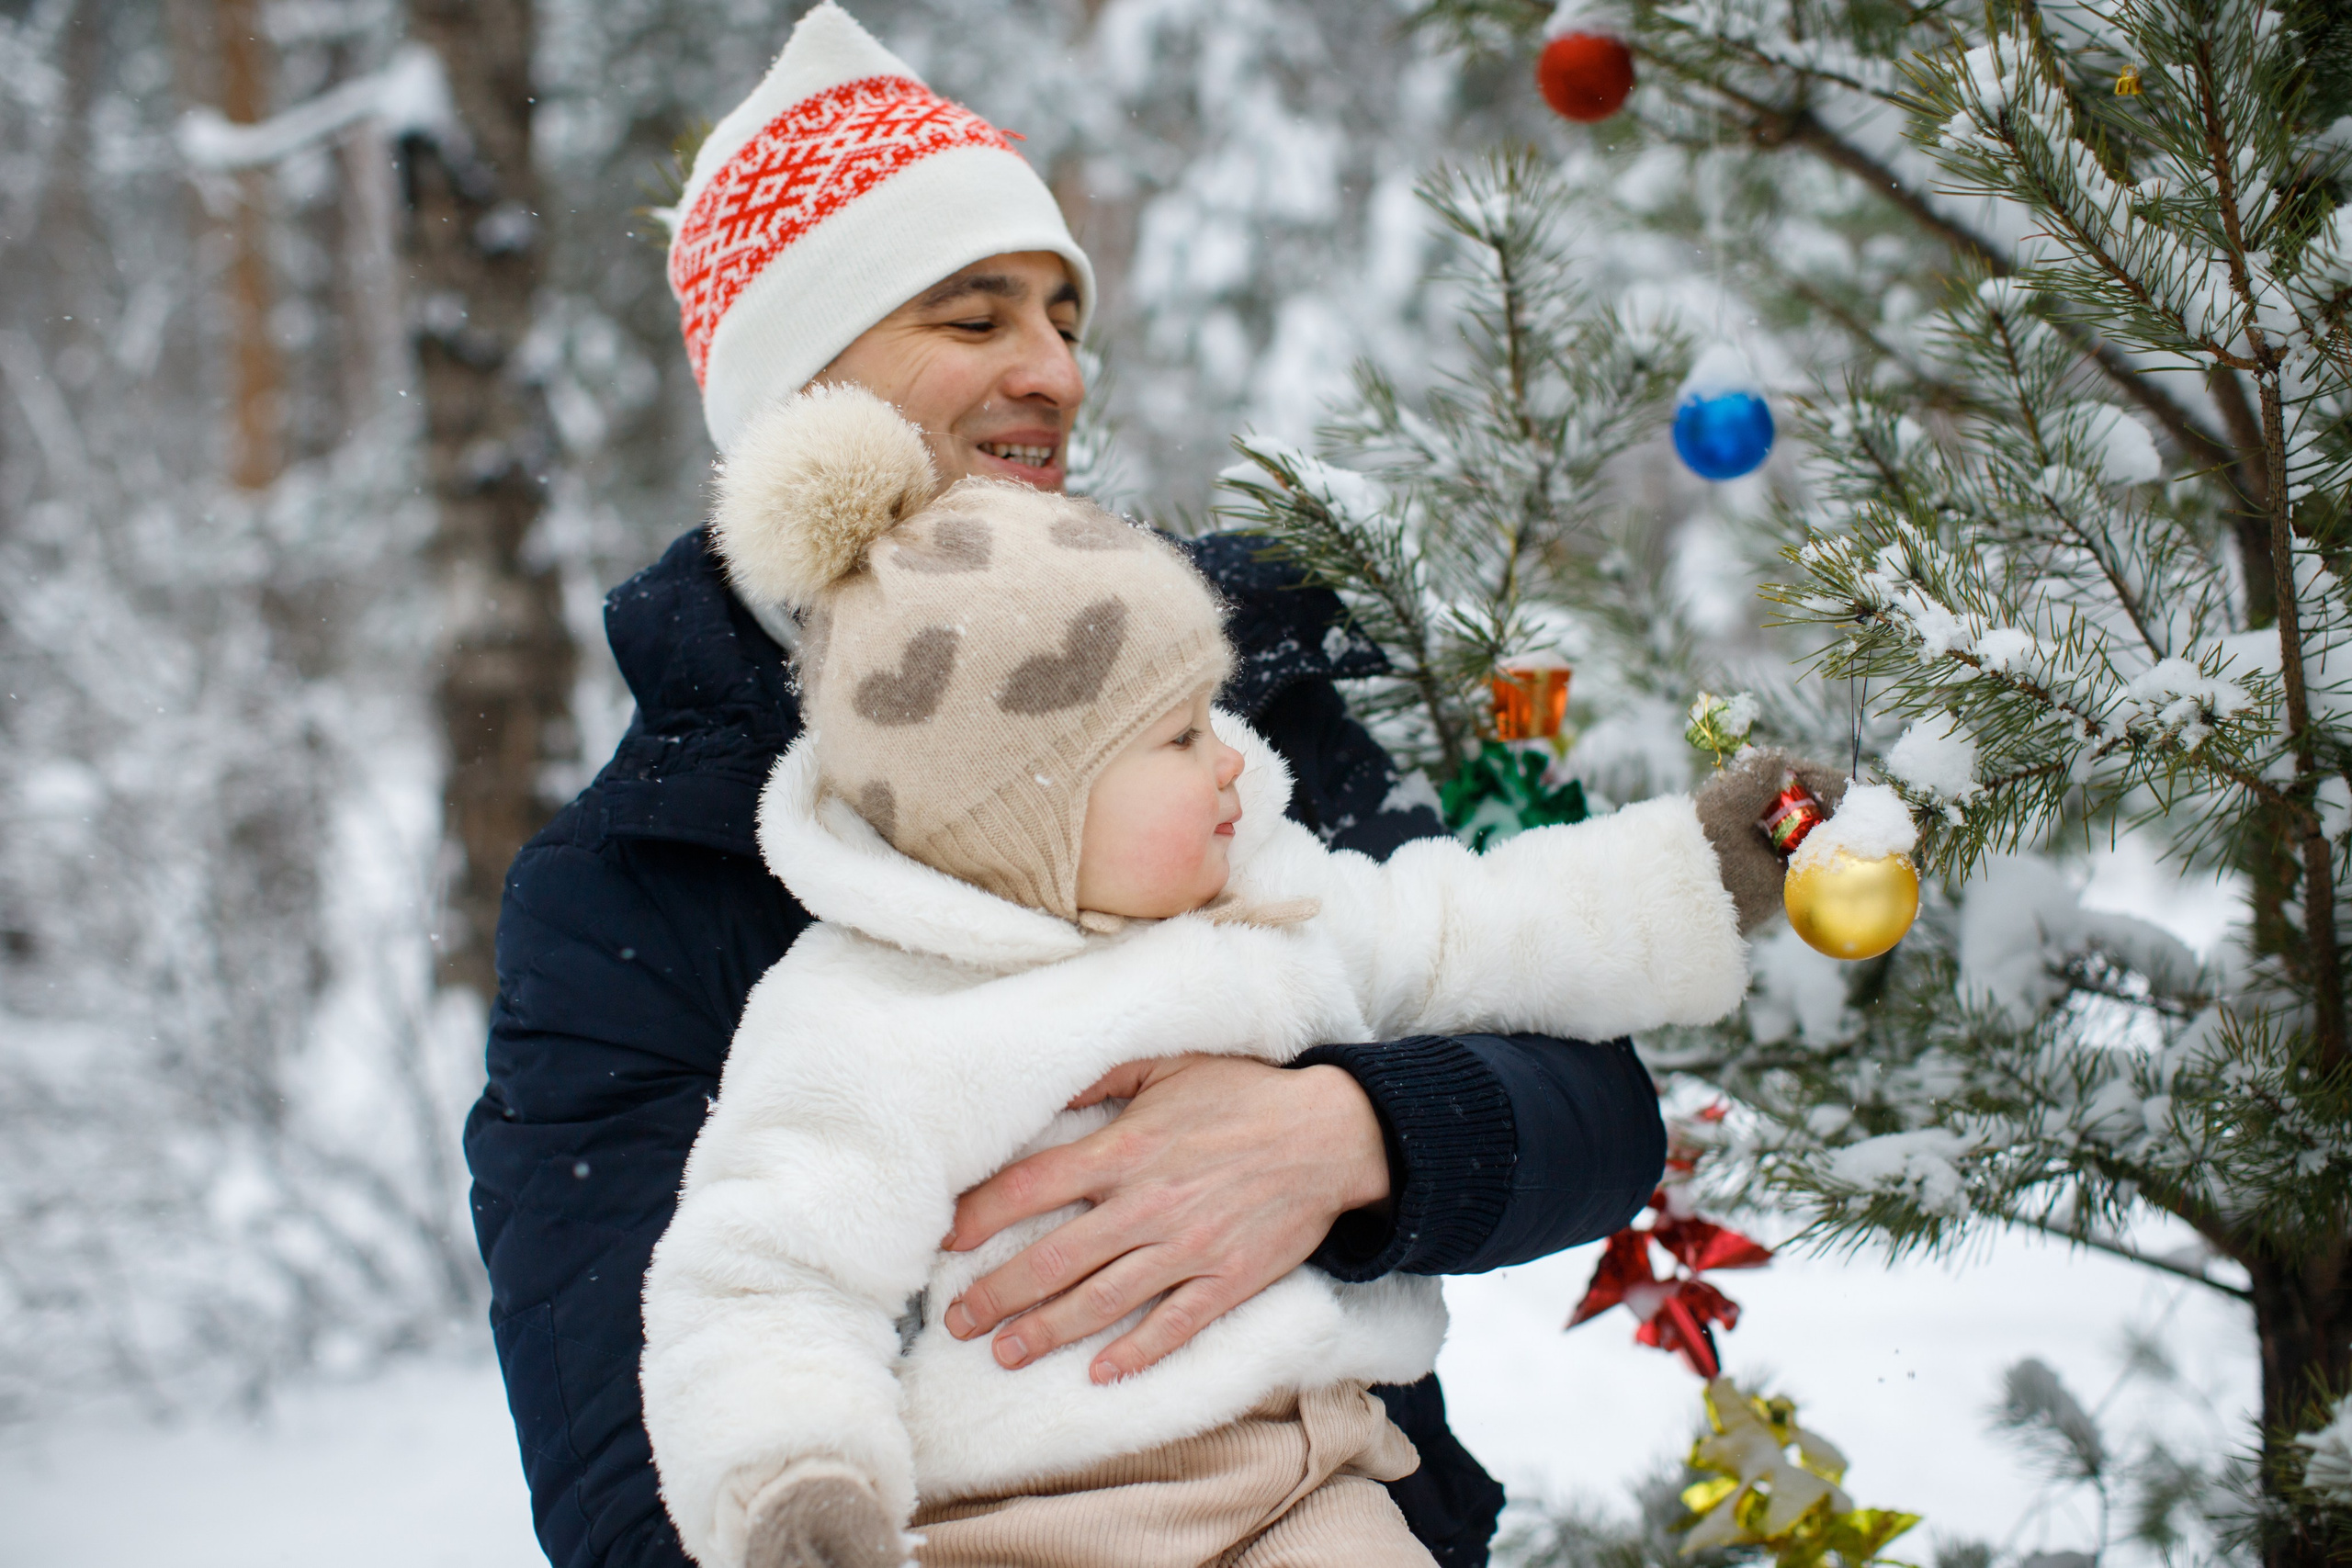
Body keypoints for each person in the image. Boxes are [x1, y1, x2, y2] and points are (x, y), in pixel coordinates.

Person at [462, 7, 1836, 1565]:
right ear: (803, 398)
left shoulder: (1214, 697)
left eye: (1062, 316)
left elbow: (1573, 1081)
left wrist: (1351, 1132)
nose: (1054, 368)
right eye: (973, 319)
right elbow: (634, 1442)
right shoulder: (641, 882)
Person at [636, 385, 1764, 1568]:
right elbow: (768, 1280)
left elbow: (1476, 928)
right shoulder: (871, 1020)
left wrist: (1697, 870)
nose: (1234, 759)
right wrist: (803, 1488)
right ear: (1034, 812)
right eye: (1178, 737)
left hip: (1306, 1493)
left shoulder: (1269, 899)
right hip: (1016, 1525)